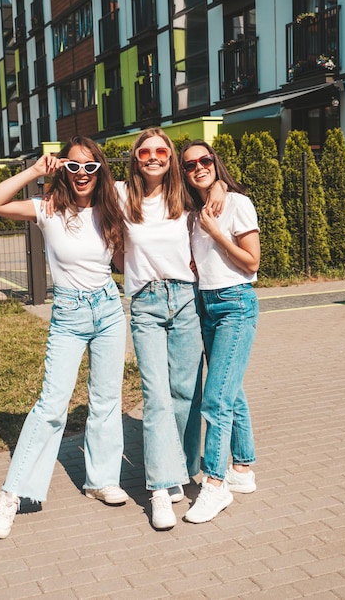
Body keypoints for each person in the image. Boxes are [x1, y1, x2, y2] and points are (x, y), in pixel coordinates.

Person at [0, 136, 128, 540]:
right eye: (74, 166)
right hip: (69, 314)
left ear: (100, 171)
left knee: (105, 399)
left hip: (109, 310)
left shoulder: (111, 204)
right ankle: (11, 494)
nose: (82, 174)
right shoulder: (47, 208)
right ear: (63, 168)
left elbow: (161, 190)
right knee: (51, 406)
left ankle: (101, 479)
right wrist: (33, 171)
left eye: (90, 167)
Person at [114, 128, 208, 531]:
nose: (153, 157)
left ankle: (183, 472)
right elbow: (78, 185)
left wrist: (218, 188)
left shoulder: (185, 196)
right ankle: (160, 488)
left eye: (162, 151)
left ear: (170, 158)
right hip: (146, 304)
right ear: (135, 158)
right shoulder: (120, 195)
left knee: (187, 393)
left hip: (186, 298)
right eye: (145, 151)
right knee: (156, 397)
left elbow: (215, 183)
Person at [179, 139, 260, 524]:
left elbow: (251, 262)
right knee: (231, 390)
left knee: (215, 399)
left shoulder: (236, 204)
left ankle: (215, 484)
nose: (198, 167)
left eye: (204, 160)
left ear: (215, 162)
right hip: (206, 305)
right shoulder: (194, 213)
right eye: (190, 164)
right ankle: (242, 470)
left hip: (235, 305)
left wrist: (216, 232)